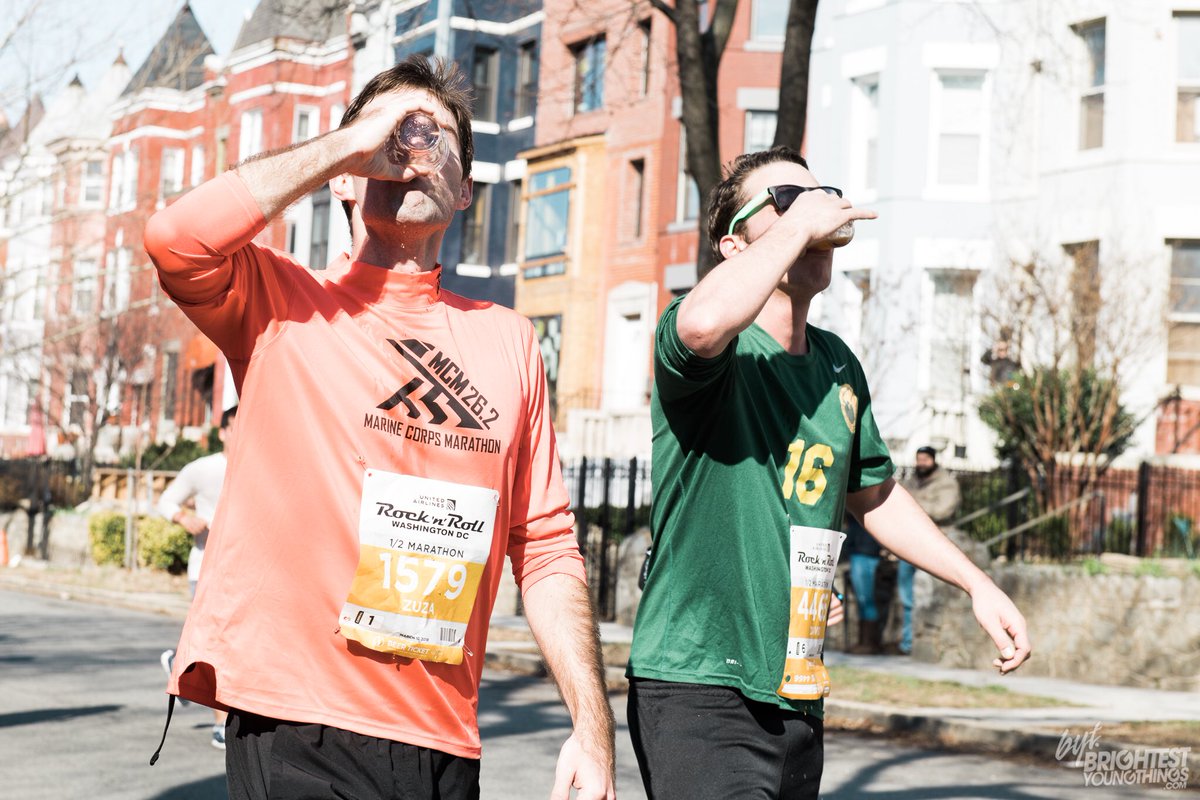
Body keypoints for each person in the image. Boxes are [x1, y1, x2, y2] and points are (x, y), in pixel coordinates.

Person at [144, 56, 615, 800]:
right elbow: (176, 240)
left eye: (435, 141)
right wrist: (349, 143)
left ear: (465, 193)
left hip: (439, 737)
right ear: (345, 175)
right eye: (393, 134)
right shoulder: (280, 303)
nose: (412, 150)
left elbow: (549, 546)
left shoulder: (510, 342)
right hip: (296, 719)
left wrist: (593, 733)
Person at [625, 146, 1031, 800]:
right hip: (698, 686)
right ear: (736, 246)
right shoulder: (712, 351)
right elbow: (701, 326)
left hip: (796, 692)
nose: (815, 212)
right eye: (786, 200)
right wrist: (798, 226)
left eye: (822, 196)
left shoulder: (837, 364)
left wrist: (974, 583)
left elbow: (873, 495)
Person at [157, 405, 238, 749]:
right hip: (205, 568)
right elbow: (165, 500)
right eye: (235, 427)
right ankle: (221, 724)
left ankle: (181, 665)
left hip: (246, 574)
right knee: (219, 644)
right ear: (222, 431)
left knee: (231, 645)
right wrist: (182, 517)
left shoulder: (264, 467)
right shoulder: (202, 469)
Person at [894, 445, 963, 655]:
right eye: (918, 459)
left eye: (925, 459)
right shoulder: (910, 481)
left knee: (927, 595)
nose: (921, 463)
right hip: (908, 543)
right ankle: (907, 643)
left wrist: (913, 506)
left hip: (933, 545)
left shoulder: (946, 483)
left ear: (933, 460)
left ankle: (924, 644)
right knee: (906, 596)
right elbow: (895, 505)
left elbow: (943, 510)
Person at [844, 515, 883, 655]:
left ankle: (869, 644)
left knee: (866, 600)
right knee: (863, 601)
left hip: (865, 553)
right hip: (860, 552)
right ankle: (863, 642)